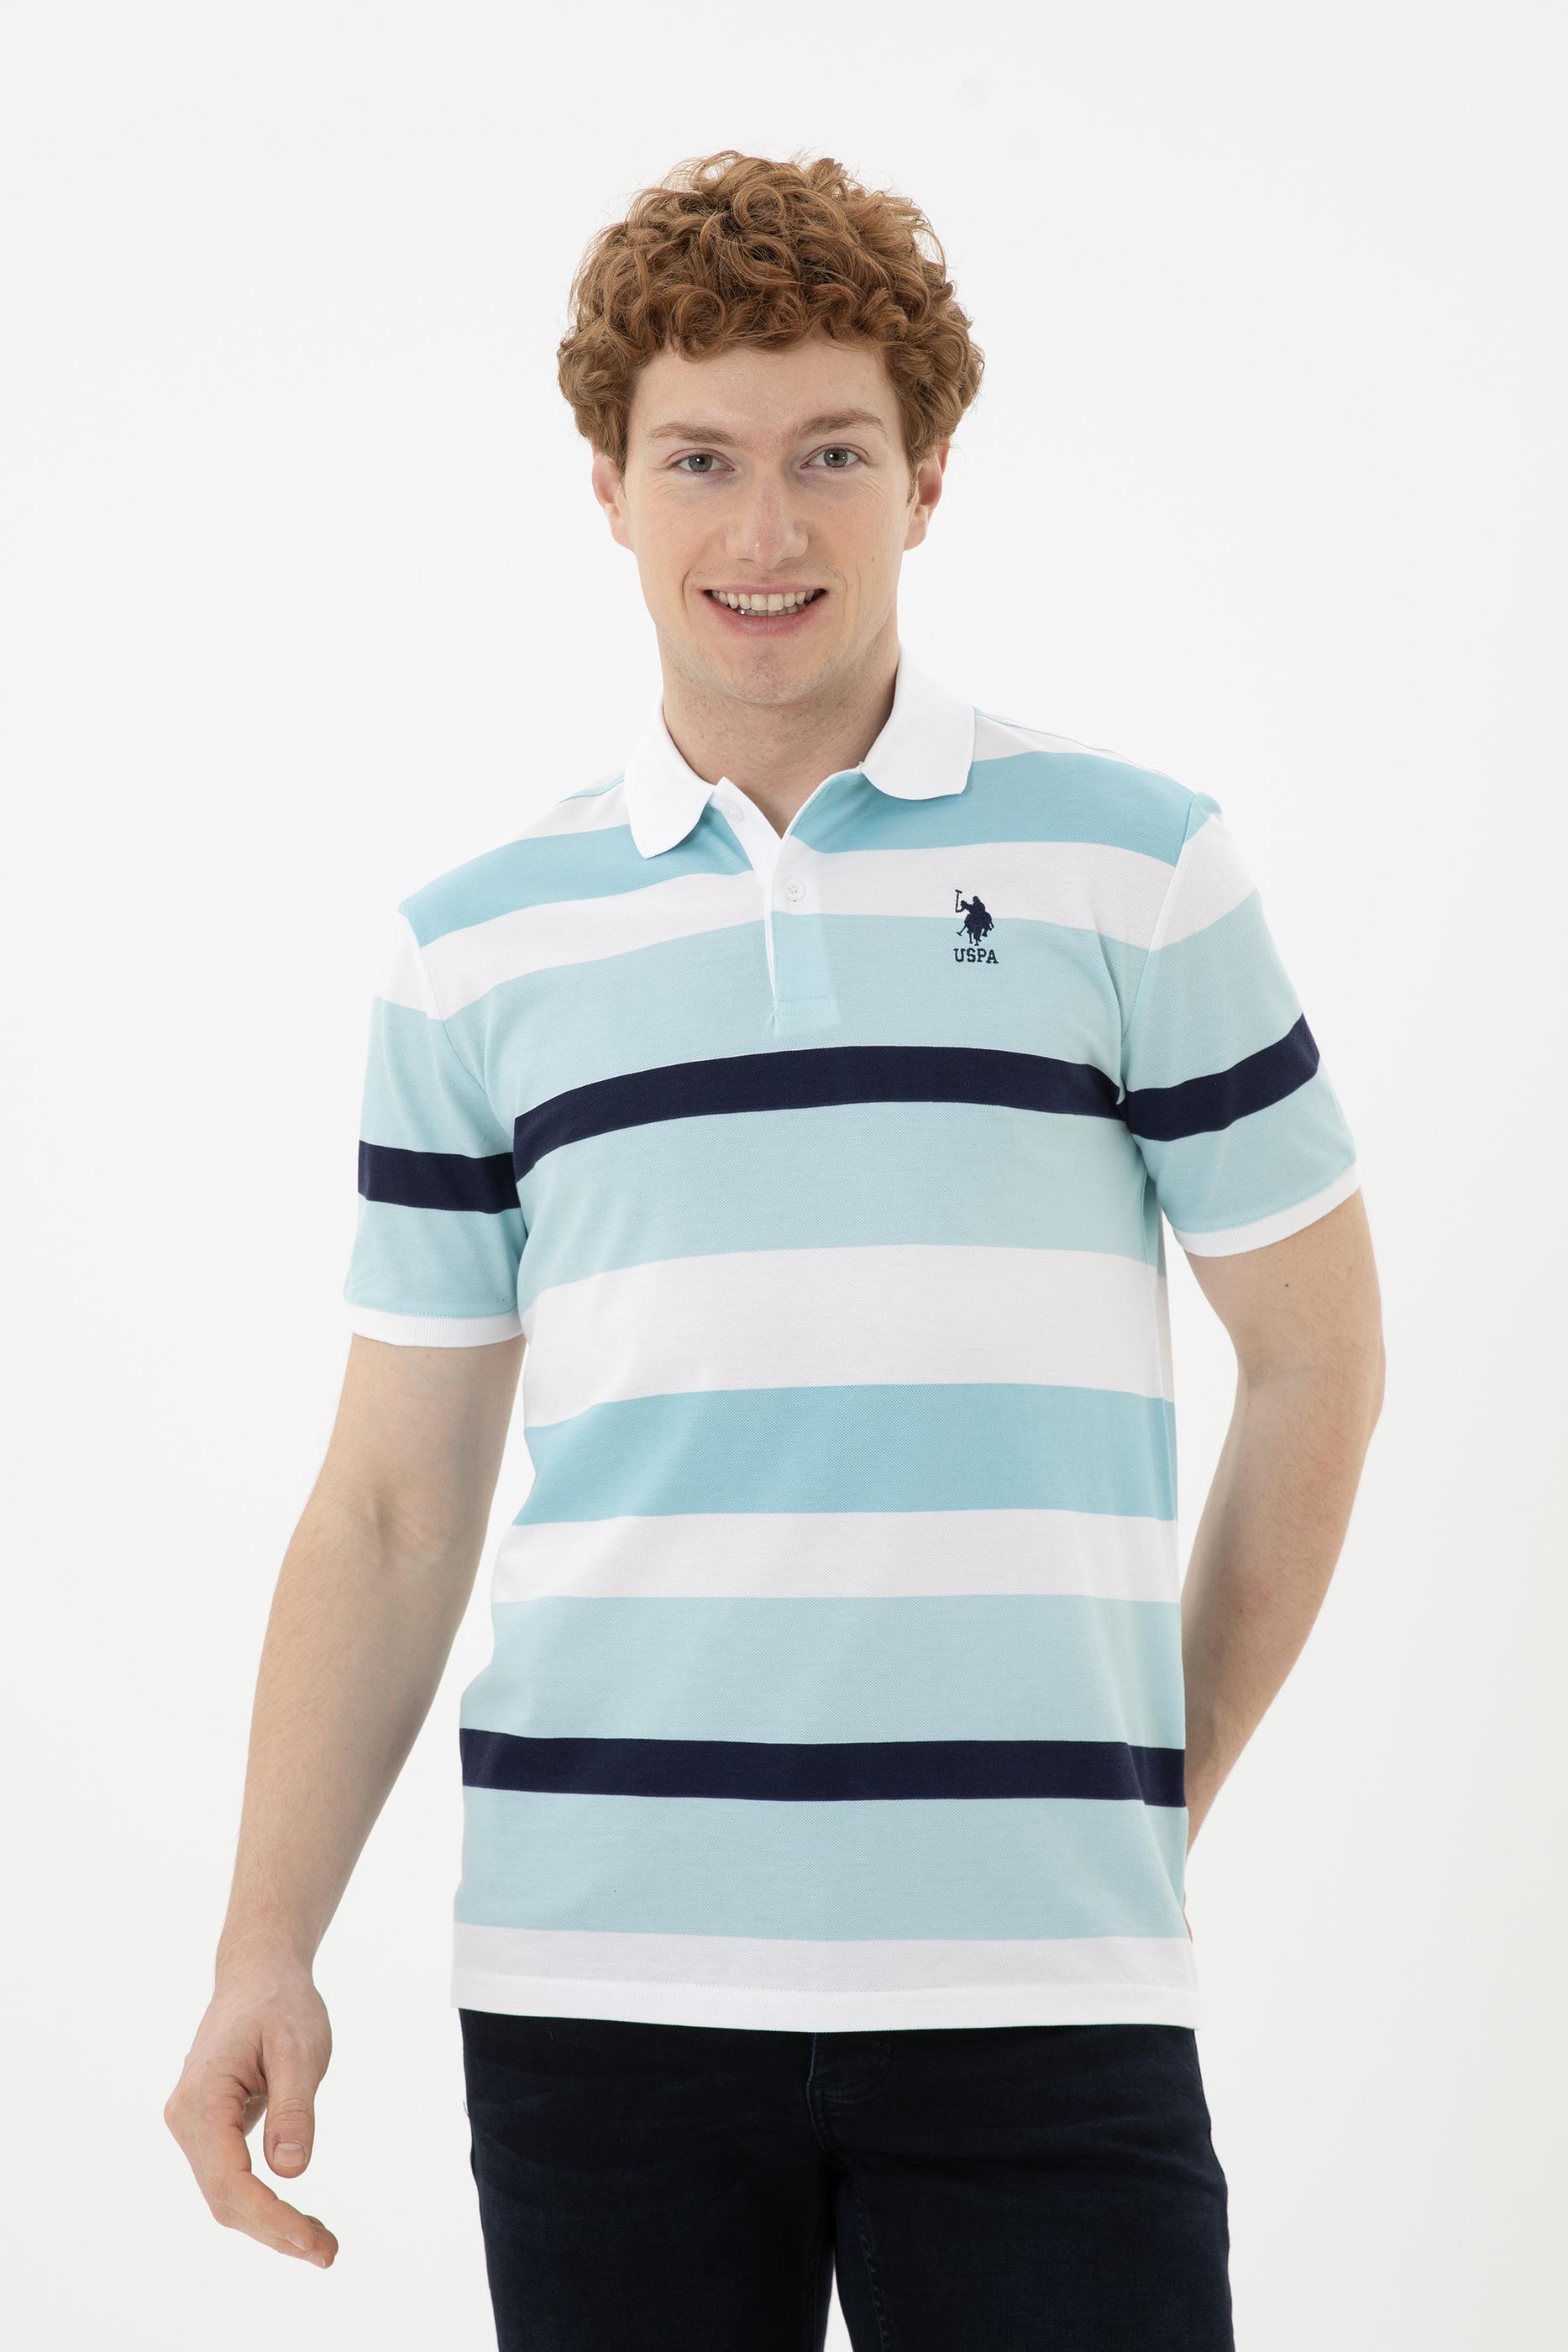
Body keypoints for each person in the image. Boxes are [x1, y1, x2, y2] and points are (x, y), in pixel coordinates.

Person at [164, 149, 1386, 2349]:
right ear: (608, 490)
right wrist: (266, 1943)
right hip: (597, 1990)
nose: (764, 530)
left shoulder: (1138, 872)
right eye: (699, 459)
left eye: (830, 455)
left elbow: (1318, 1359)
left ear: (928, 478)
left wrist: (1150, 1789)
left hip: (1038, 1986)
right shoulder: (474, 950)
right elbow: (392, 1502)